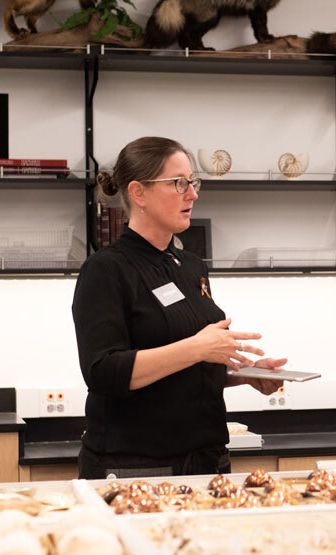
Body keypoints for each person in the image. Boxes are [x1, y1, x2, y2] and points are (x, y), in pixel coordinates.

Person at [71, 136, 286, 479]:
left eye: (193, 182)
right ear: (138, 193)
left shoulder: (190, 266)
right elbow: (103, 372)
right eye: (178, 183)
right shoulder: (106, 269)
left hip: (208, 461)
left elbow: (189, 367)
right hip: (137, 467)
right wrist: (197, 347)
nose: (193, 194)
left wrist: (247, 375)